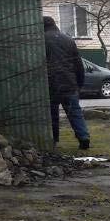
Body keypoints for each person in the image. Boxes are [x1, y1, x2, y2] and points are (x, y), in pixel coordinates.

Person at [44, 15, 90, 150]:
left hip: (50, 84)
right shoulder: (69, 40)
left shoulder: (42, 40)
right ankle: (84, 139)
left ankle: (54, 140)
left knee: (52, 114)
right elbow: (78, 64)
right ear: (54, 25)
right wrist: (79, 83)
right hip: (69, 83)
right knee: (75, 112)